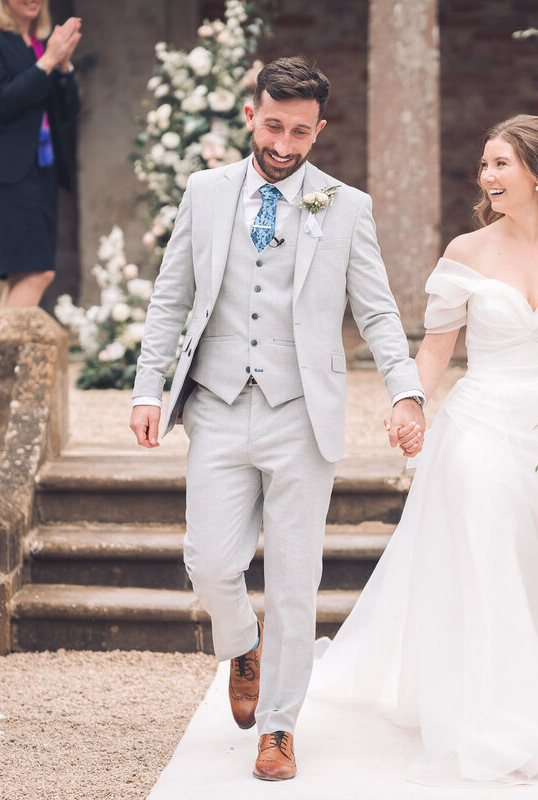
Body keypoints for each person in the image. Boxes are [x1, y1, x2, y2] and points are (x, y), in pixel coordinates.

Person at [309, 115, 538, 785]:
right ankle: (502, 714)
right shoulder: (467, 252)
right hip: (480, 422)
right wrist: (407, 402)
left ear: (537, 172)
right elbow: (436, 349)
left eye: (500, 163)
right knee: (490, 540)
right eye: (484, 164)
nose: (487, 176)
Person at [129, 57, 425, 781]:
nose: (284, 145)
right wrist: (145, 389)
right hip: (218, 406)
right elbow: (171, 298)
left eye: (300, 131)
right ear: (251, 114)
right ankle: (242, 646)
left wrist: (406, 390)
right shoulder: (204, 192)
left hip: (303, 415)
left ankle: (281, 727)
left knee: (295, 581)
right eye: (273, 126)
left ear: (319, 128)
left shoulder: (345, 206)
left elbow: (379, 310)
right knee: (208, 560)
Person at [0, 0, 81, 307]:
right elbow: (1, 101)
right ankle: (6, 355)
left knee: (22, 273)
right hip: (8, 169)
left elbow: (67, 112)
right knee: (37, 273)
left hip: (43, 168)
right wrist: (47, 62)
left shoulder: (40, 44)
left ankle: (0, 352)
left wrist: (63, 64)